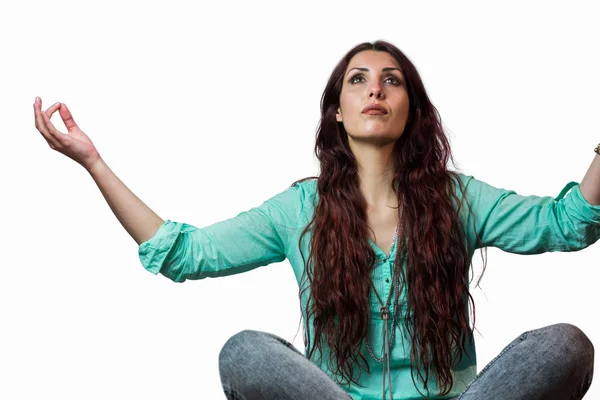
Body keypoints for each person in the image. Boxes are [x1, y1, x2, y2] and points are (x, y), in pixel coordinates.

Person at [33, 40, 599, 400]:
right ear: (337, 110)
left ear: (413, 109)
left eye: (392, 79)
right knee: (244, 351)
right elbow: (183, 253)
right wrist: (93, 162)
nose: (375, 87)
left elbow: (569, 222)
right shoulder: (299, 209)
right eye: (358, 79)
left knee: (566, 346)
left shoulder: (458, 199)